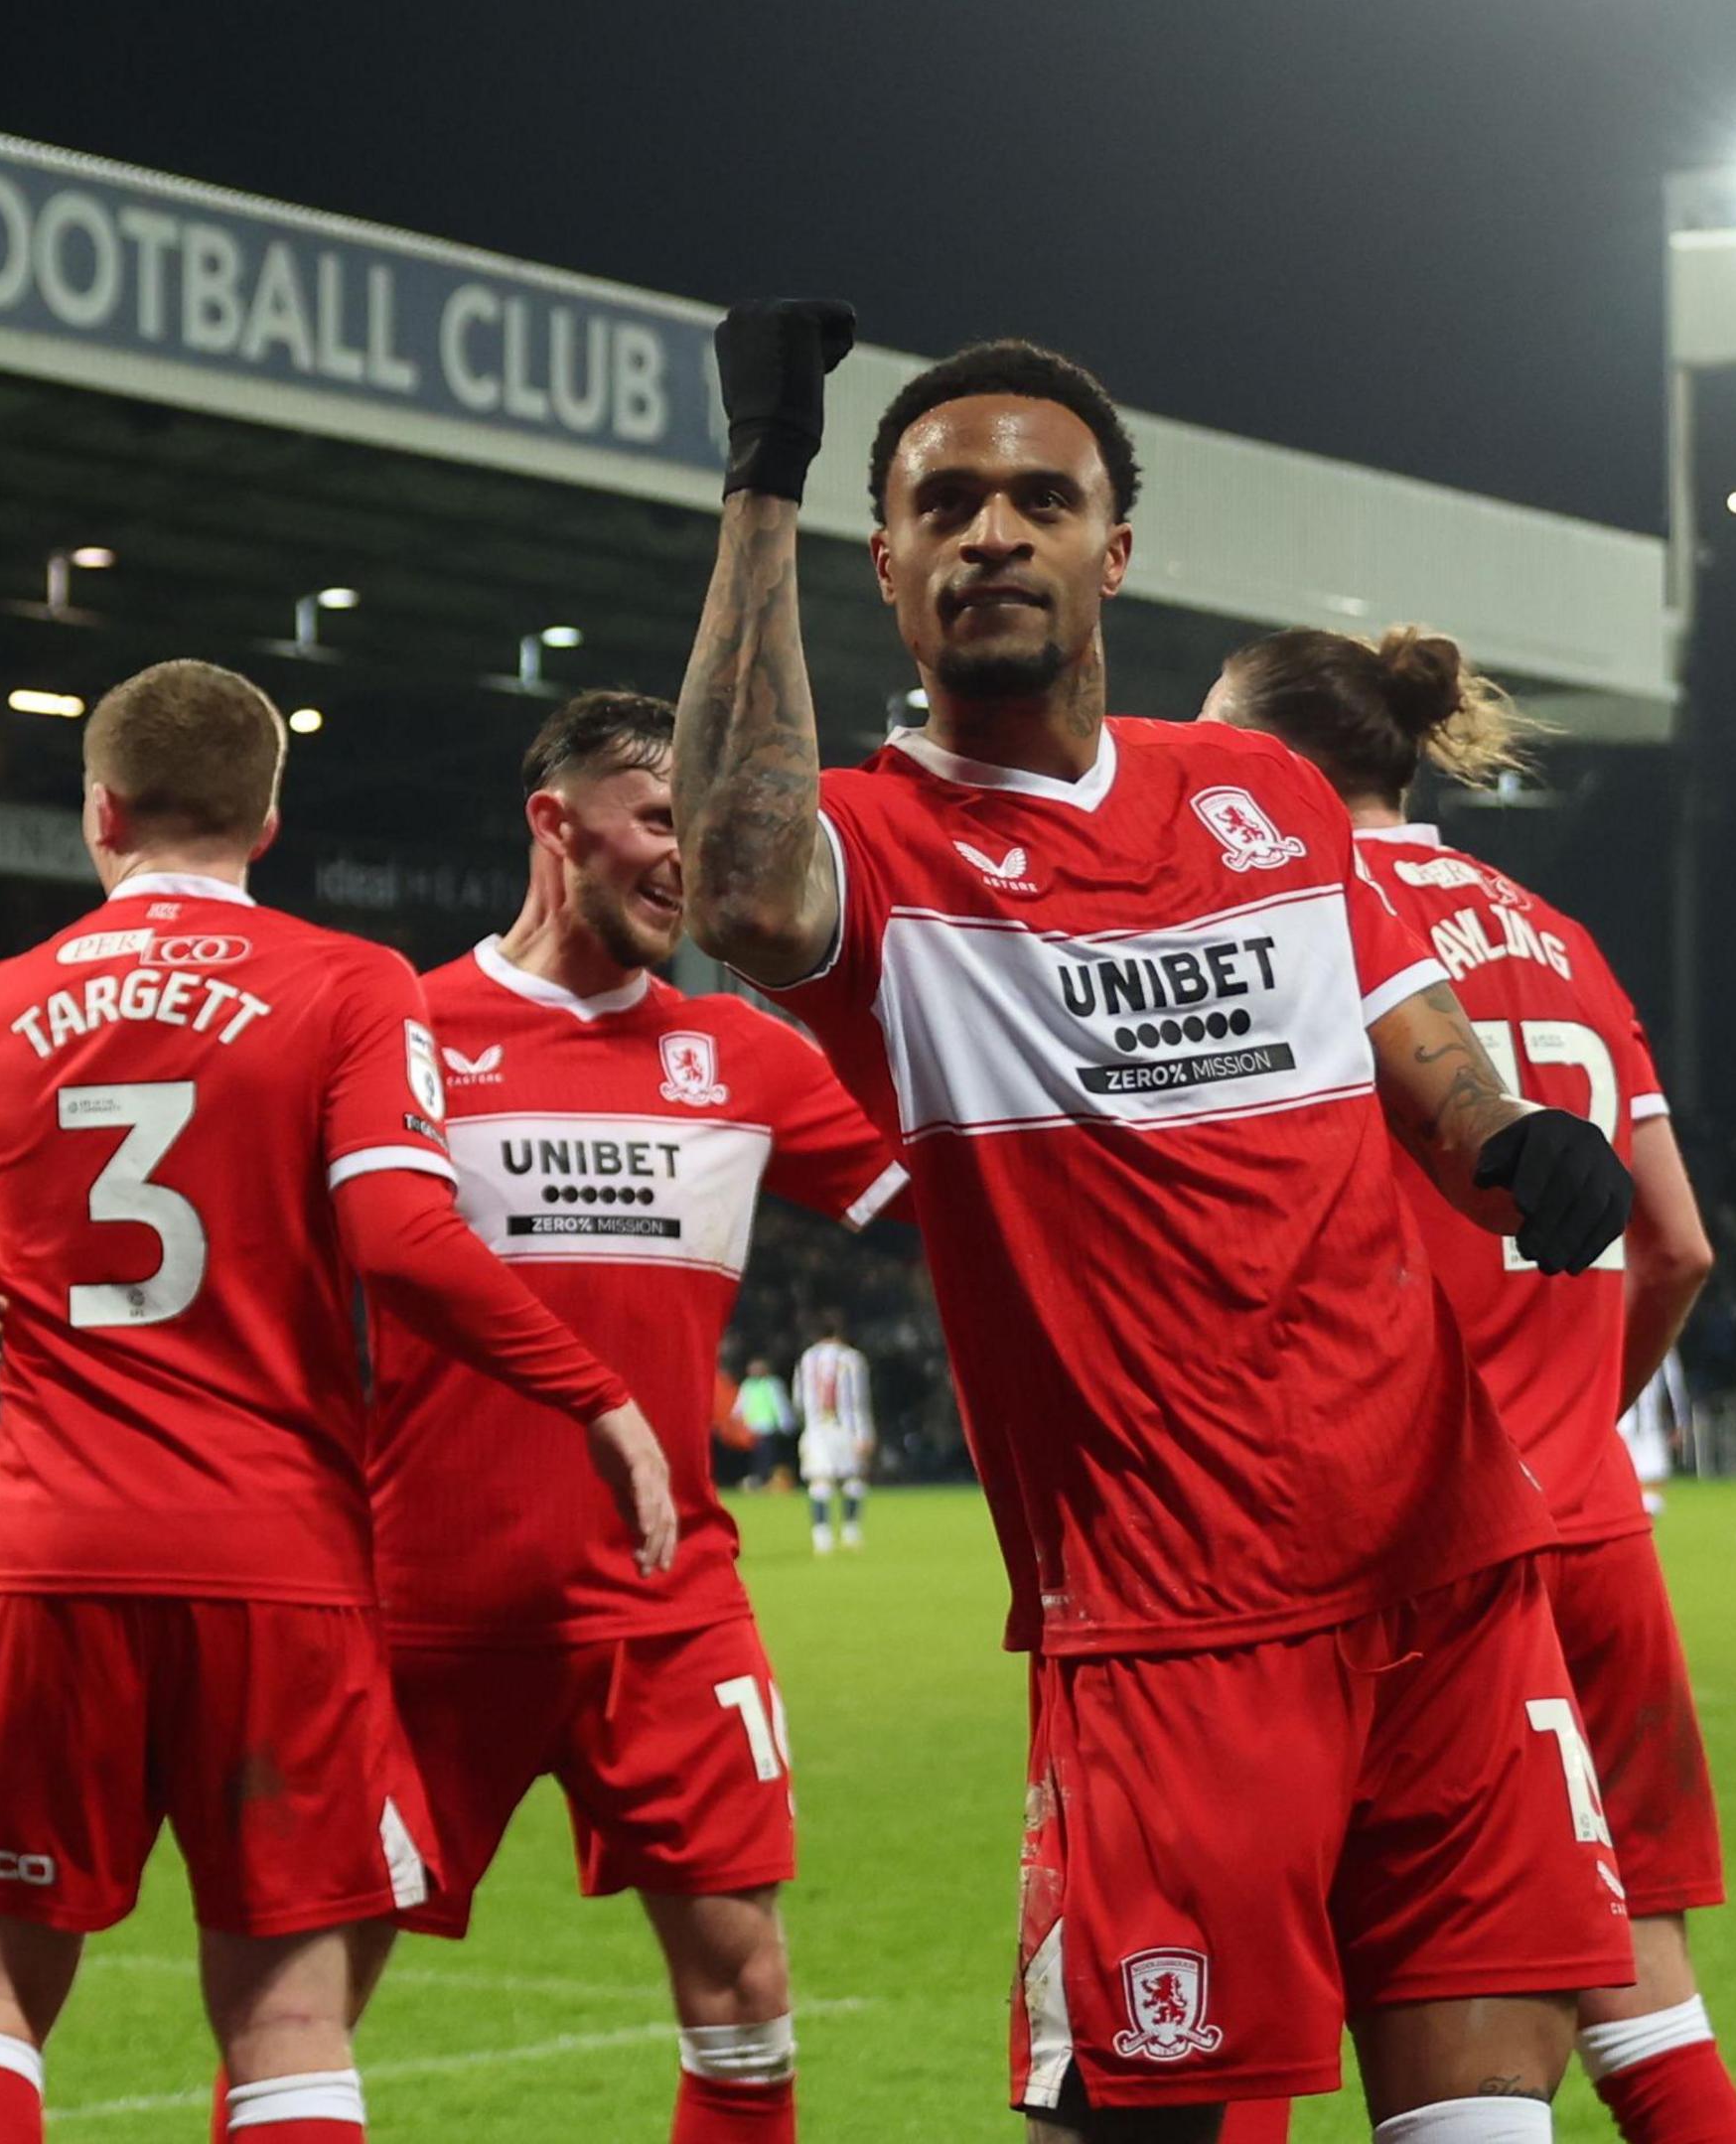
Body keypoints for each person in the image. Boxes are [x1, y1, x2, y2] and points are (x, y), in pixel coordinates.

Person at [671, 306, 1636, 2143]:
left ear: (1116, 551)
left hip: (1447, 1566)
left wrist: (1514, 1142)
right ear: (884, 564)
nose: (991, 533)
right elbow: (729, 866)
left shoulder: (1261, 793)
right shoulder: (880, 847)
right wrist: (760, 481)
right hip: (1176, 1618)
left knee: (1488, 2125)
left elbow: (1414, 1045)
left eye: (1042, 499)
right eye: (943, 504)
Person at [0, 688, 907, 2142]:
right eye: (658, 820)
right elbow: (281, 1221)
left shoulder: (749, 1061)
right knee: (300, 2011)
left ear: (104, 813)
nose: (690, 860)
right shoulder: (395, 1013)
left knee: (747, 1996)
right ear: (554, 823)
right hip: (412, 1609)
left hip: (665, 1603)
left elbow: (972, 1190)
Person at [1214, 626, 1736, 2144]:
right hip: (1591, 1531)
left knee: (1245, 1999)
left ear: (1272, 764)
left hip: (1393, 1546)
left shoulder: (1285, 906)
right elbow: (1680, 1248)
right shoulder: (1558, 932)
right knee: (1649, 2002)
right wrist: (1577, 1429)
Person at [795, 1315, 875, 1552]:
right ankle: (851, 1531)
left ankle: (822, 1537)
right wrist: (864, 1432)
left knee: (819, 1481)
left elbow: (798, 1398)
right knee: (853, 1478)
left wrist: (807, 1425)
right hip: (846, 1427)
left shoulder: (807, 1358)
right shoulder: (852, 1359)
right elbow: (858, 1399)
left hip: (816, 1428)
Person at [1622, 1353, 1689, 1518]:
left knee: (1645, 1487)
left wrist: (1678, 1422)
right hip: (1638, 1427)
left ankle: (1638, 1532)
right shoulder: (1659, 1342)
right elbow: (1673, 1384)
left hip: (1639, 1426)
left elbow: (1672, 1385)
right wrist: (1679, 1423)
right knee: (1646, 1486)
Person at [736, 1356, 795, 1490]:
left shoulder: (772, 1384)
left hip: (769, 1426)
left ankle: (768, 1480)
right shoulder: (748, 1385)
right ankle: (759, 1479)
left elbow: (780, 1405)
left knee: (768, 1456)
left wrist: (786, 1423)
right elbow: (741, 1405)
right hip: (752, 1428)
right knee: (757, 1456)